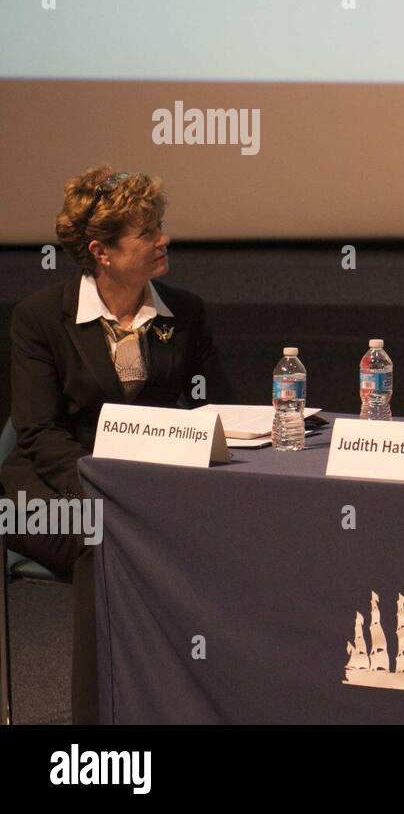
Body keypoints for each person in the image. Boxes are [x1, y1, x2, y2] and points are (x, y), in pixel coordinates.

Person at [1, 166, 231, 723]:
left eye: (160, 226)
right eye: (147, 232)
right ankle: (97, 727)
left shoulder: (185, 311)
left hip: (148, 484)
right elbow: (38, 433)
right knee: (100, 540)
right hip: (47, 486)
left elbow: (215, 409)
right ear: (101, 252)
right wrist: (114, 493)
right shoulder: (40, 319)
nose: (163, 239)